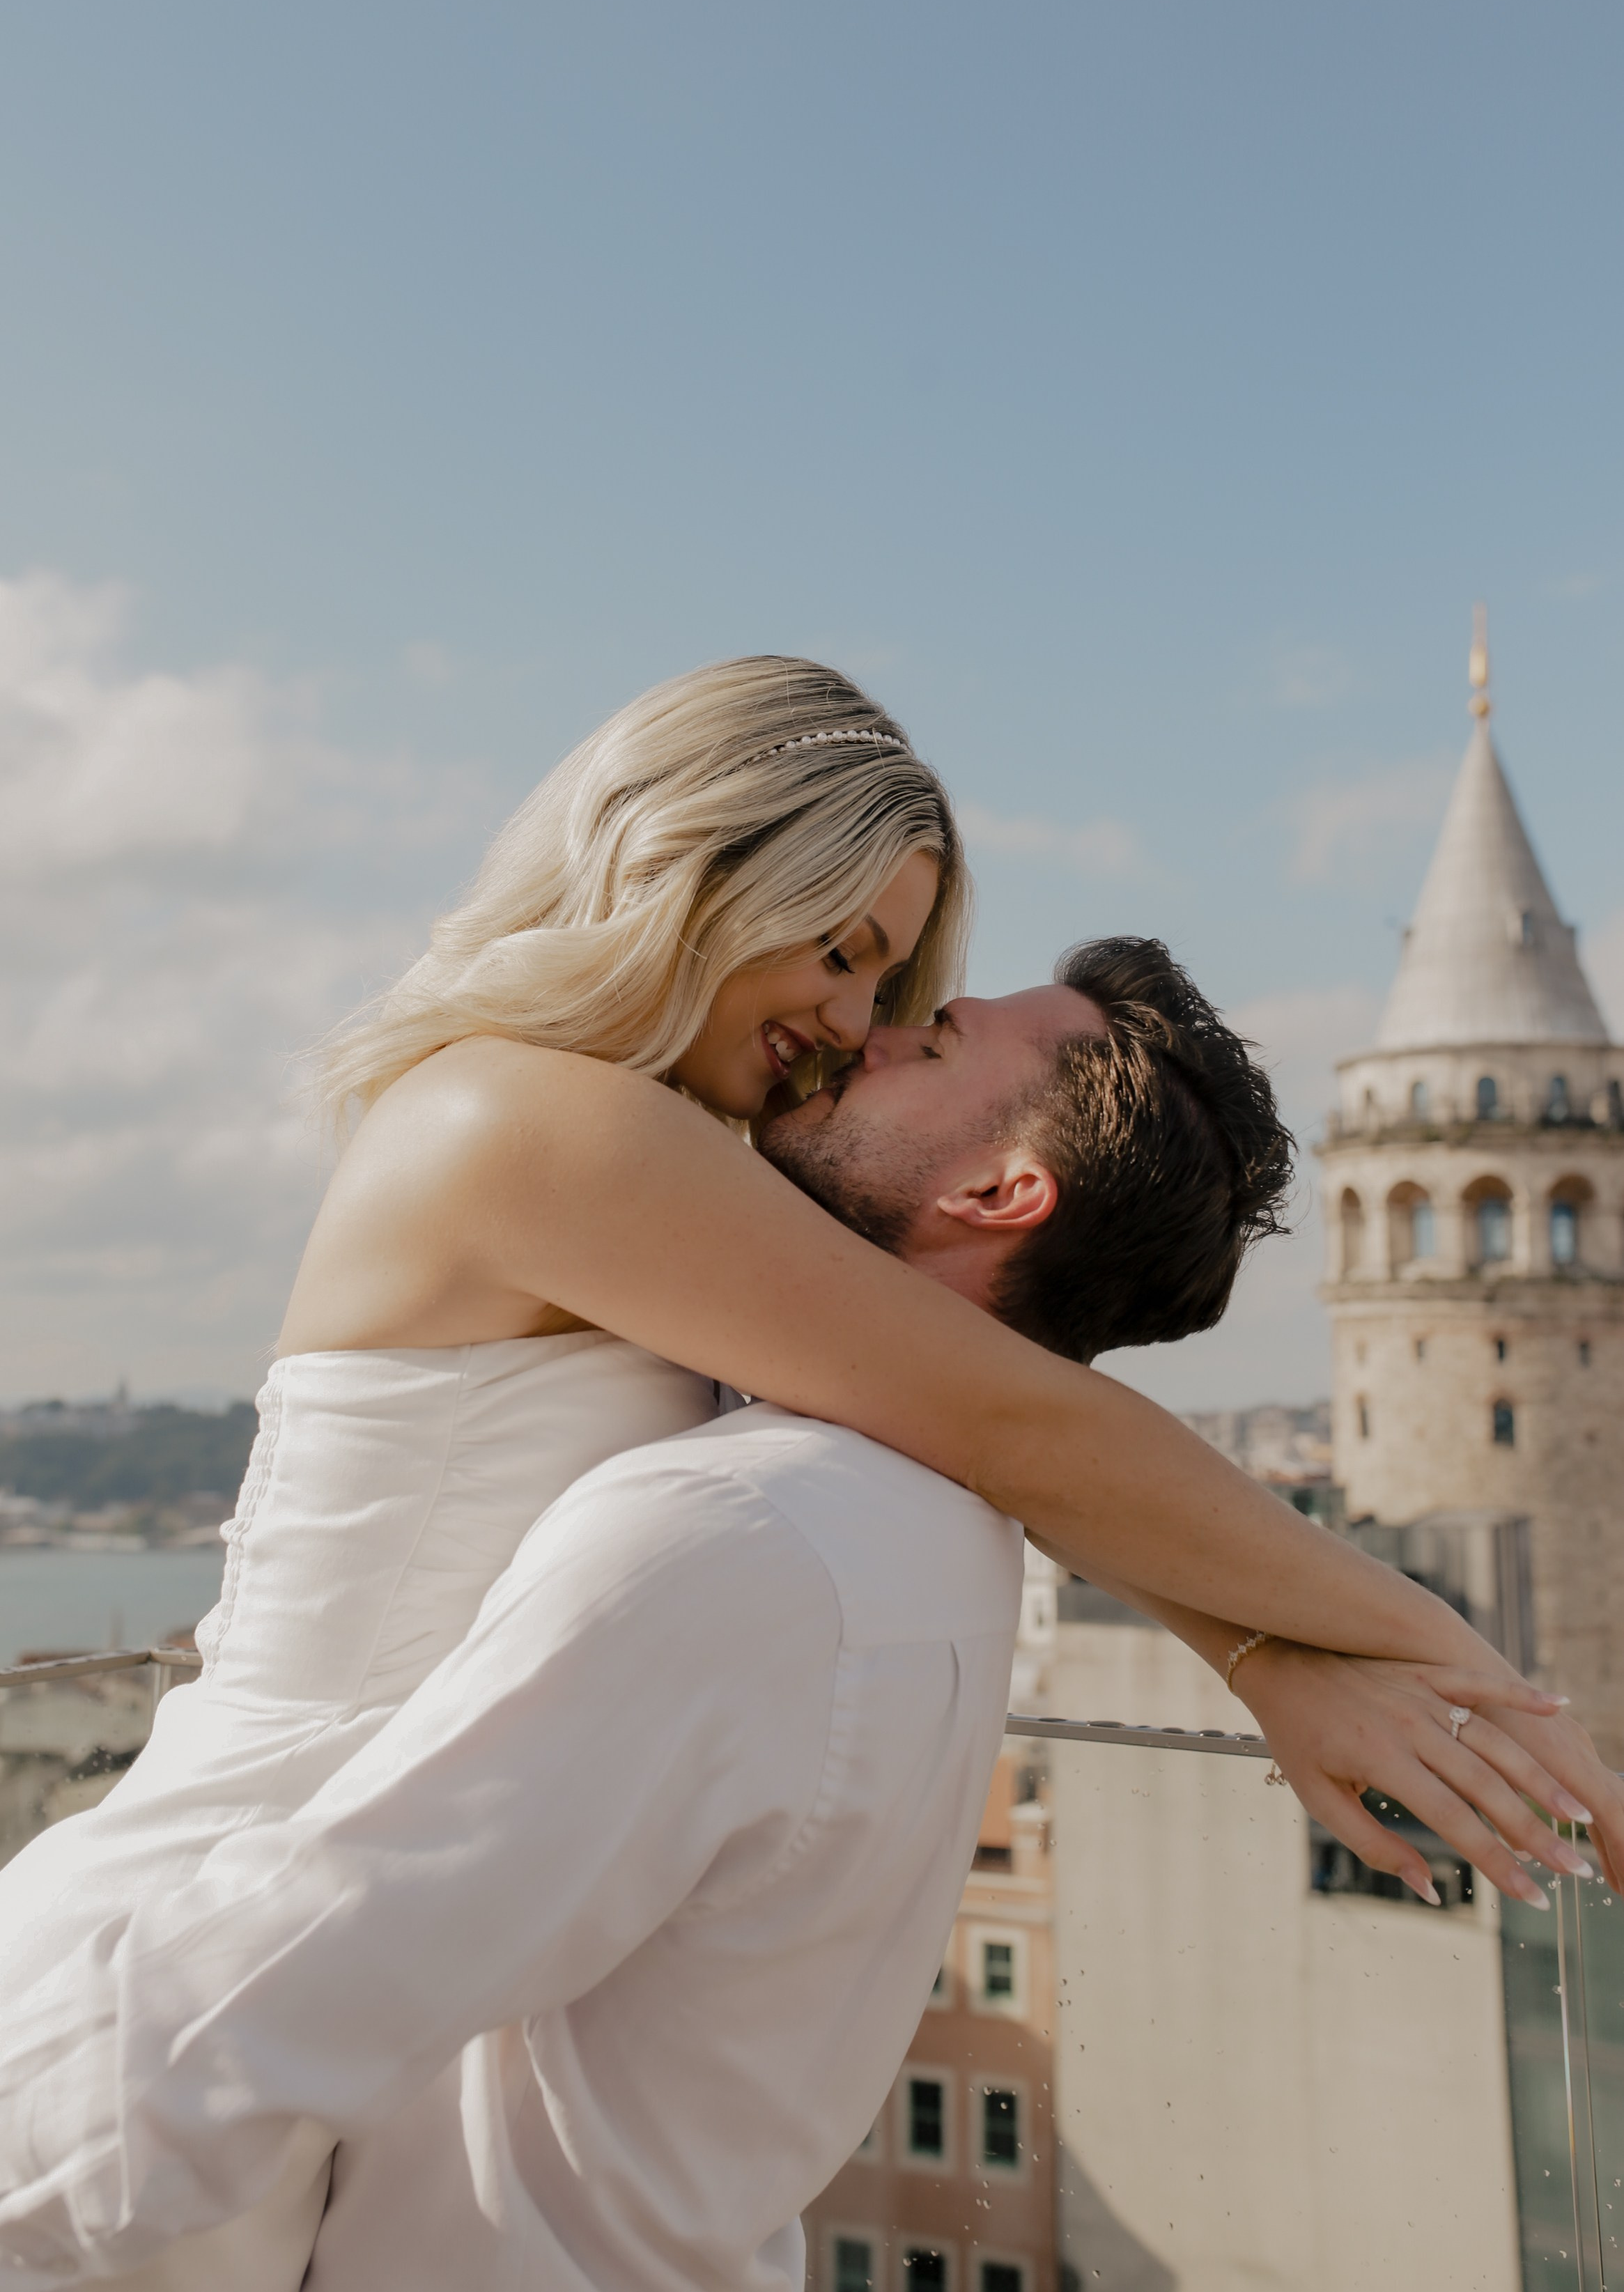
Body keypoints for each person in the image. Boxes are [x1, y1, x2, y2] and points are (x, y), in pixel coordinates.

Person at [0, 950, 1611, 2291]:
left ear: (1000, 1186)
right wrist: (1265, 1648)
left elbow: (260, 2015)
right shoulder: (947, 1524)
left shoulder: (734, 1537)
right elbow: (1020, 1433)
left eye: (933, 1038)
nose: (868, 1032)